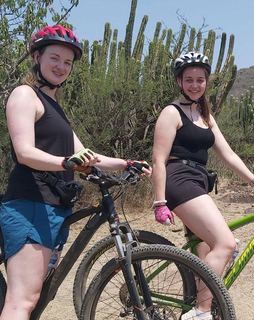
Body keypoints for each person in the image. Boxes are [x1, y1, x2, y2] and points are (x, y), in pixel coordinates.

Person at [0, 25, 151, 320]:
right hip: (31, 204)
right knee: (23, 301)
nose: (61, 66)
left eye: (67, 62)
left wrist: (125, 163)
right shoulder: (24, 95)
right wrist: (64, 162)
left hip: (55, 206)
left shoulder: (54, 105)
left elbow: (86, 155)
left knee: (35, 298)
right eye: (55, 58)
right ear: (37, 56)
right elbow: (24, 152)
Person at [151, 51, 254, 320]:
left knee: (207, 257)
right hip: (179, 180)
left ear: (206, 82)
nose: (195, 85)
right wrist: (159, 202)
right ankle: (200, 313)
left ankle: (198, 302)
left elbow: (227, 154)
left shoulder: (205, 114)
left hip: (198, 181)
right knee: (225, 243)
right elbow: (158, 160)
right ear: (179, 82)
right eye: (189, 80)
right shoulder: (171, 113)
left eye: (200, 80)